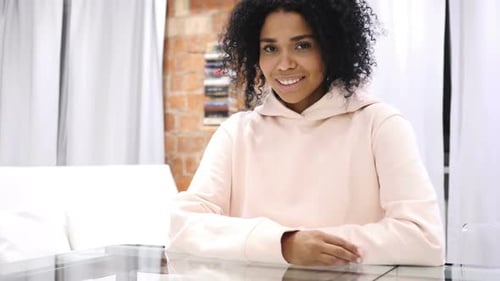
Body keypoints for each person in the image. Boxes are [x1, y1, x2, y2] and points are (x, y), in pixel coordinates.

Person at [168, 0, 445, 266]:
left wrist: (313, 248)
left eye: (302, 45)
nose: (284, 64)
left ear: (331, 47)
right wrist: (285, 244)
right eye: (270, 49)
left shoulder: (379, 124)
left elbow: (423, 237)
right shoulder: (236, 133)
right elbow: (185, 229)